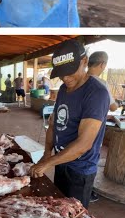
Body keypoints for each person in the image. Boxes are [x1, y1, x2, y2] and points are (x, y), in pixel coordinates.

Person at [30, 40, 111, 207]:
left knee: (76, 217)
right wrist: (47, 153)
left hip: (80, 169)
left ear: (84, 62)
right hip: (61, 161)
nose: (65, 78)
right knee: (60, 207)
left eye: (69, 72)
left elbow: (84, 144)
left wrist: (48, 162)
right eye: (61, 73)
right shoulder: (63, 90)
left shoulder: (96, 93)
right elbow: (53, 124)